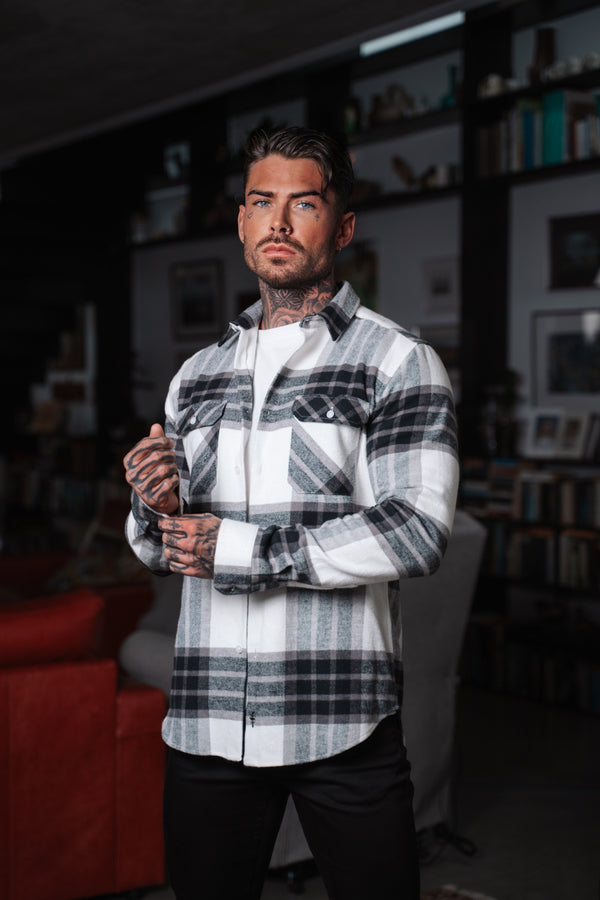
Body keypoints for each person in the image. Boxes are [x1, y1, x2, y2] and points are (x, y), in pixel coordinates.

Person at [123, 125, 459, 900]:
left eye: (302, 203)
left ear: (340, 227)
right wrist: (155, 504)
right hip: (207, 723)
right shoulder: (195, 376)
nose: (277, 222)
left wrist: (239, 549)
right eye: (260, 202)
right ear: (241, 221)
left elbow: (415, 531)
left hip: (341, 718)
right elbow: (161, 544)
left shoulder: (397, 361)